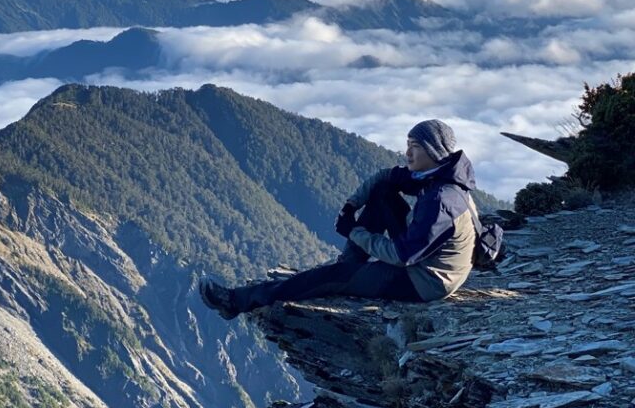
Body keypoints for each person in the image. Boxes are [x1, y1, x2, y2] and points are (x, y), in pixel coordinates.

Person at [200, 119, 479, 319]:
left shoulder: (441, 200)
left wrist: (354, 232)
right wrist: (351, 204)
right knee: (382, 192)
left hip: (427, 281)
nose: (407, 153)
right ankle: (350, 267)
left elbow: (401, 256)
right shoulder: (437, 175)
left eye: (415, 147)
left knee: (330, 277)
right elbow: (385, 177)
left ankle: (235, 301)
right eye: (407, 145)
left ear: (433, 150)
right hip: (431, 262)